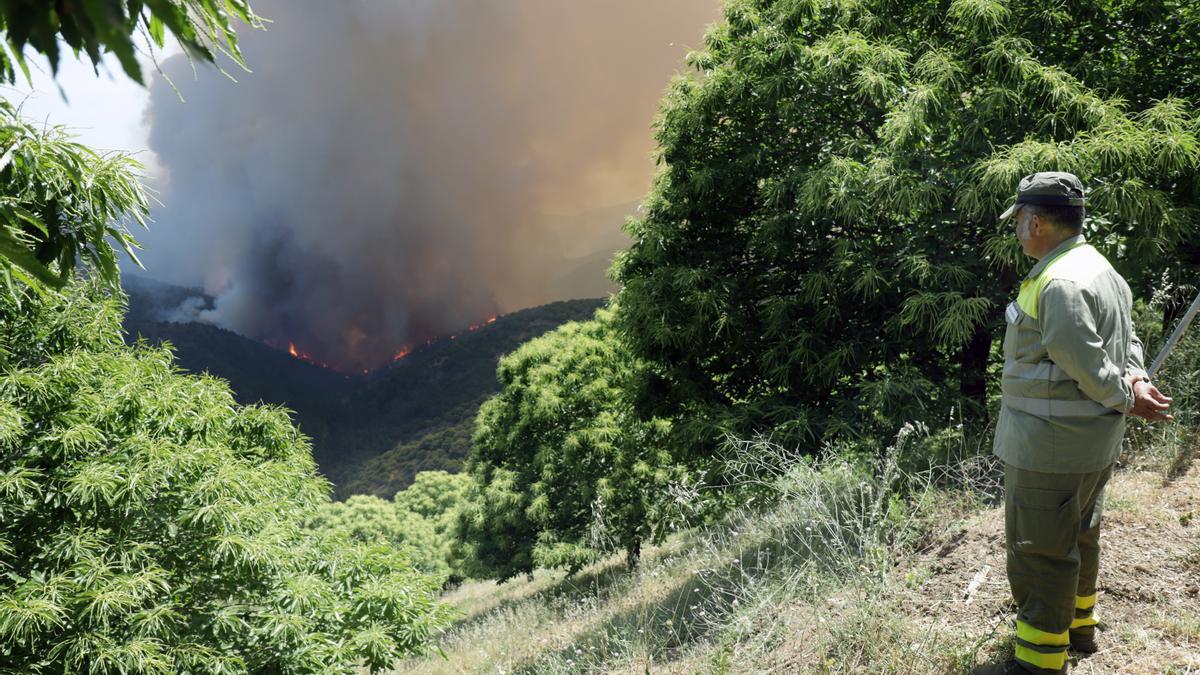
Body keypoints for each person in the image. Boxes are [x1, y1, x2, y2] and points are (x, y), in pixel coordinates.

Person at [976, 171, 1173, 675]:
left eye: (1018, 219)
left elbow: (1082, 360)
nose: (1016, 227)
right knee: (1080, 536)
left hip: (1049, 449)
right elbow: (1125, 343)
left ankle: (1039, 662)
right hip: (1089, 444)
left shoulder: (1060, 281)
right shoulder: (1099, 267)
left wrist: (1127, 396)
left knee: (1040, 552)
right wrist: (1134, 381)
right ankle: (1079, 629)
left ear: (1035, 221)